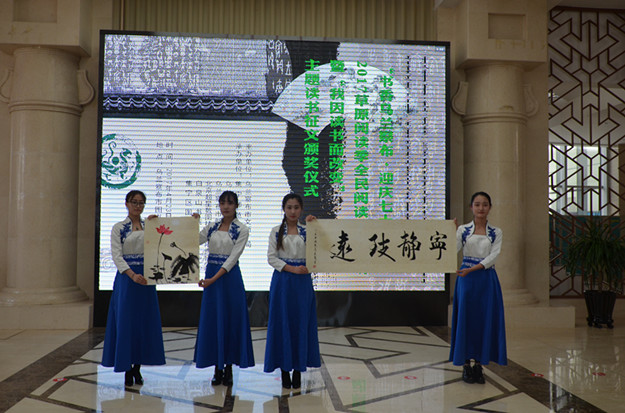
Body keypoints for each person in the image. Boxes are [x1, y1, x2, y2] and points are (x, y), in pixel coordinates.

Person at [102, 190, 166, 387]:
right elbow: (117, 256)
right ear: (126, 204)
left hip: (146, 279)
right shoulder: (119, 228)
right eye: (134, 202)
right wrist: (132, 275)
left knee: (143, 323)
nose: (138, 206)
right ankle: (127, 368)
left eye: (141, 203)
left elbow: (165, 244)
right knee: (126, 322)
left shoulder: (149, 226)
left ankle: (137, 367)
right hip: (128, 280)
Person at [194, 190, 255, 386]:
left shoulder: (242, 229)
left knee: (230, 321)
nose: (226, 207)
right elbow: (192, 241)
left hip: (229, 278)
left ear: (236, 206)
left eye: (230, 203)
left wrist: (213, 279)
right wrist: (192, 224)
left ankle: (228, 367)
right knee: (214, 321)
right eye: (222, 203)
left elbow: (232, 259)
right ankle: (216, 368)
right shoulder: (212, 227)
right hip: (212, 276)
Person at [264, 193, 321, 389]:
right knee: (282, 324)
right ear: (284, 209)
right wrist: (292, 269)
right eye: (289, 207)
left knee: (301, 323)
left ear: (301, 209)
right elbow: (271, 258)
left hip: (302, 283)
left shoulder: (307, 231)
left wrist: (315, 227)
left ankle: (298, 369)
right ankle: (284, 370)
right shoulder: (275, 231)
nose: (293, 211)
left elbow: (321, 251)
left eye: (296, 207)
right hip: (283, 282)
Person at [450, 191, 507, 384]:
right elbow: (453, 249)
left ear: (489, 207)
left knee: (484, 319)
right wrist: (451, 232)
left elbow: (493, 256)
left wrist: (473, 269)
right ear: (471, 207)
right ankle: (466, 365)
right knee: (466, 319)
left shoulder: (496, 232)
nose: (481, 208)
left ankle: (479, 366)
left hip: (486, 279)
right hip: (466, 281)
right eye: (477, 204)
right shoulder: (463, 230)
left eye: (484, 204)